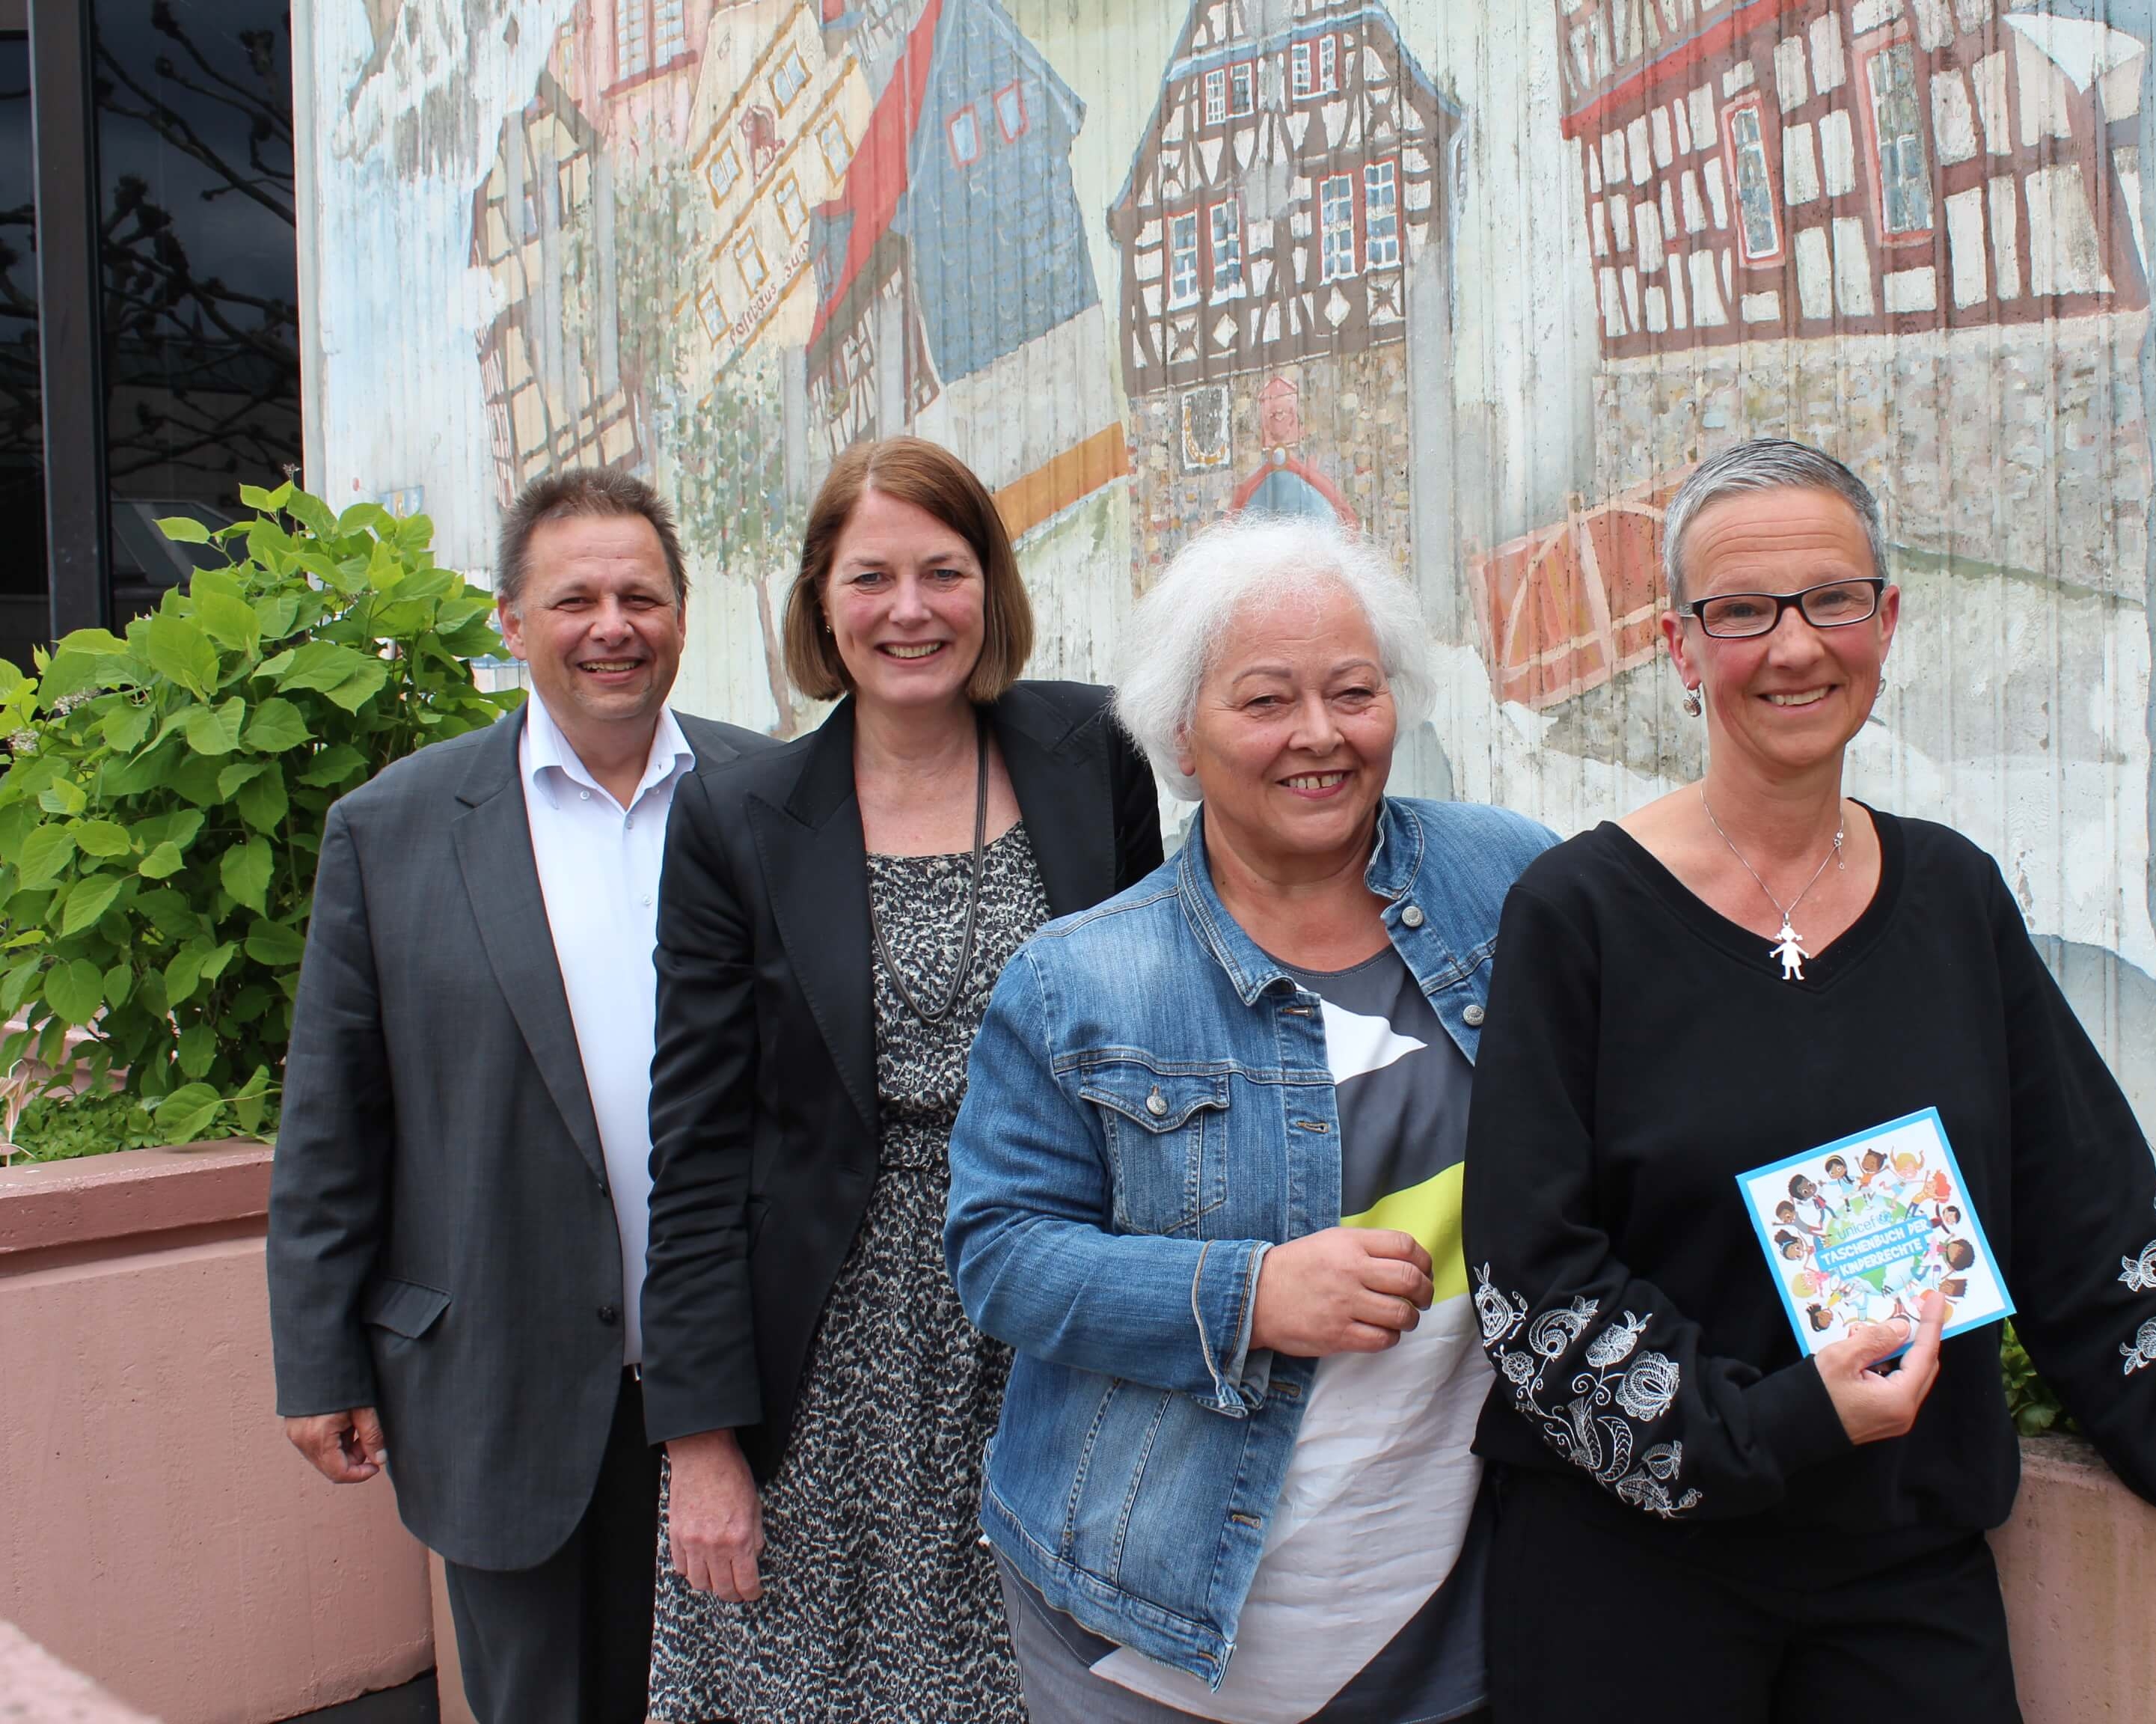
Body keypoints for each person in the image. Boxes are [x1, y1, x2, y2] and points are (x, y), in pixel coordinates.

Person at [1458, 438, 2156, 1720]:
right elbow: (1533, 1276)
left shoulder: (1953, 898)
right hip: (1628, 1591)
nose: (1793, 647)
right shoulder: (1578, 913)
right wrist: (1783, 1422)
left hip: (1902, 1571)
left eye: (1832, 600)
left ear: (1886, 621)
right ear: (1681, 649)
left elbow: (2087, 1235)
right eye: (1740, 612)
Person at [944, 516, 1555, 1724]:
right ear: (1180, 732)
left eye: (1354, 691)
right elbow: (1000, 1256)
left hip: (1451, 1604)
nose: (1319, 734)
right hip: (1145, 1613)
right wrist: (1249, 1297)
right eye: (1267, 700)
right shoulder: (1082, 979)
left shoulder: (1513, 883)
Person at [640, 436, 1163, 1723]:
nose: (910, 610)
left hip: (1056, 1307)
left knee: (1055, 1683)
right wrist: (699, 1444)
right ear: (822, 601)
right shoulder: (737, 819)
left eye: (943, 571)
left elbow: (1165, 1022)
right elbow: (697, 1150)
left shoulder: (1093, 751)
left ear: (991, 587)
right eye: (871, 577)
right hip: (829, 1356)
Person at [266, 469, 771, 1724]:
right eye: (575, 599)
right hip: (502, 1379)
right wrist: (317, 1359)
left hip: (749, 1380)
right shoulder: (392, 830)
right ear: (511, 621)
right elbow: (334, 1120)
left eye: (640, 596)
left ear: (682, 615)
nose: (612, 626)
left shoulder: (778, 798)